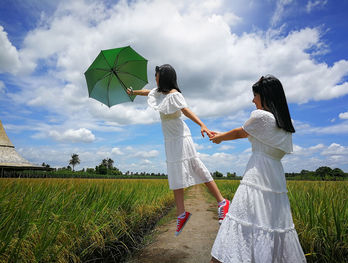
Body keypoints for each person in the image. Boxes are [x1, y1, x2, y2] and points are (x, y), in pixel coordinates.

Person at [209, 75, 306, 263]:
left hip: (256, 177)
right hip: (275, 179)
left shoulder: (261, 116)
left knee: (241, 224)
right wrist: (220, 135)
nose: (253, 100)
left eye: (255, 95)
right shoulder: (285, 128)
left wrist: (219, 137)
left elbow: (241, 132)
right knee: (270, 227)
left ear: (265, 96)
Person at [127, 64, 230, 236]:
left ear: (164, 76)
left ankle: (222, 202)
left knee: (195, 165)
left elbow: (186, 111)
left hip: (182, 137)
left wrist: (203, 125)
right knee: (175, 171)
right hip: (170, 139)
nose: (155, 77)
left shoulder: (175, 95)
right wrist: (133, 92)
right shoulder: (158, 93)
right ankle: (181, 214)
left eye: (157, 75)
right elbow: (148, 92)